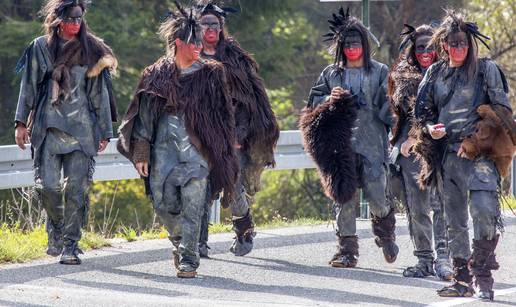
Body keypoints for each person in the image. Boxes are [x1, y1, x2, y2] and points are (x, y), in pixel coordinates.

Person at [117, 2, 238, 278]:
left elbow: (223, 115)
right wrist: (141, 153)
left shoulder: (212, 73)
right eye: (192, 43)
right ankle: (180, 240)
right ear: (179, 42)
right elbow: (144, 118)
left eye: (200, 43)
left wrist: (225, 149)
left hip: (199, 151)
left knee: (194, 203)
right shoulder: (156, 75)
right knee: (163, 204)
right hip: (163, 151)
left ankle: (189, 258)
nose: (199, 48)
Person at [415, 9, 513, 300]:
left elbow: (502, 113)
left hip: (480, 156)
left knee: (484, 210)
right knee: (454, 218)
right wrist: (432, 129)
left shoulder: (486, 70)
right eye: (453, 44)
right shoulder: (435, 73)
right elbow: (422, 112)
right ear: (444, 44)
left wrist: (475, 141)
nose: (459, 49)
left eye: (463, 44)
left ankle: (483, 275)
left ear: (470, 44)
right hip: (448, 155)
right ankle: (462, 279)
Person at [14, 0, 117, 265]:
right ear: (58, 19)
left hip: (82, 132)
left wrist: (105, 130)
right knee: (48, 187)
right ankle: (57, 228)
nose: (75, 24)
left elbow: (99, 92)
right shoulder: (40, 48)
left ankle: (70, 244)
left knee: (76, 191)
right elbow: (28, 86)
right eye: (70, 19)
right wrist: (21, 124)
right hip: (47, 129)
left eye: (78, 19)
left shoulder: (90, 48)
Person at [303, 7, 398, 269]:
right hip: (340, 147)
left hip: (373, 145)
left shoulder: (379, 71)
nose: (352, 49)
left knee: (378, 196)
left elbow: (391, 106)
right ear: (340, 47)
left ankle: (386, 232)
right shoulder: (331, 73)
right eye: (347, 44)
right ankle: (346, 250)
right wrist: (328, 99)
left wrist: (399, 129)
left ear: (364, 45)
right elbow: (312, 103)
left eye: (356, 44)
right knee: (343, 196)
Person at [195, 1, 280, 257]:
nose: (210, 28)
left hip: (233, 135)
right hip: (199, 135)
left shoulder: (234, 58)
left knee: (233, 188)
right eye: (205, 23)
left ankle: (244, 228)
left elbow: (250, 103)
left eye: (215, 24)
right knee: (200, 189)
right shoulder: (189, 54)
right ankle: (198, 243)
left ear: (221, 27)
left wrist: (238, 134)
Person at [387, 24, 453, 280]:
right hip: (411, 151)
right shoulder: (402, 76)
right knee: (417, 208)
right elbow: (403, 114)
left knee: (442, 205)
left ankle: (444, 259)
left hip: (441, 146)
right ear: (413, 50)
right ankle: (424, 259)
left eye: (429, 47)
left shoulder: (448, 73)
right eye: (419, 48)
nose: (425, 52)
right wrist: (406, 140)